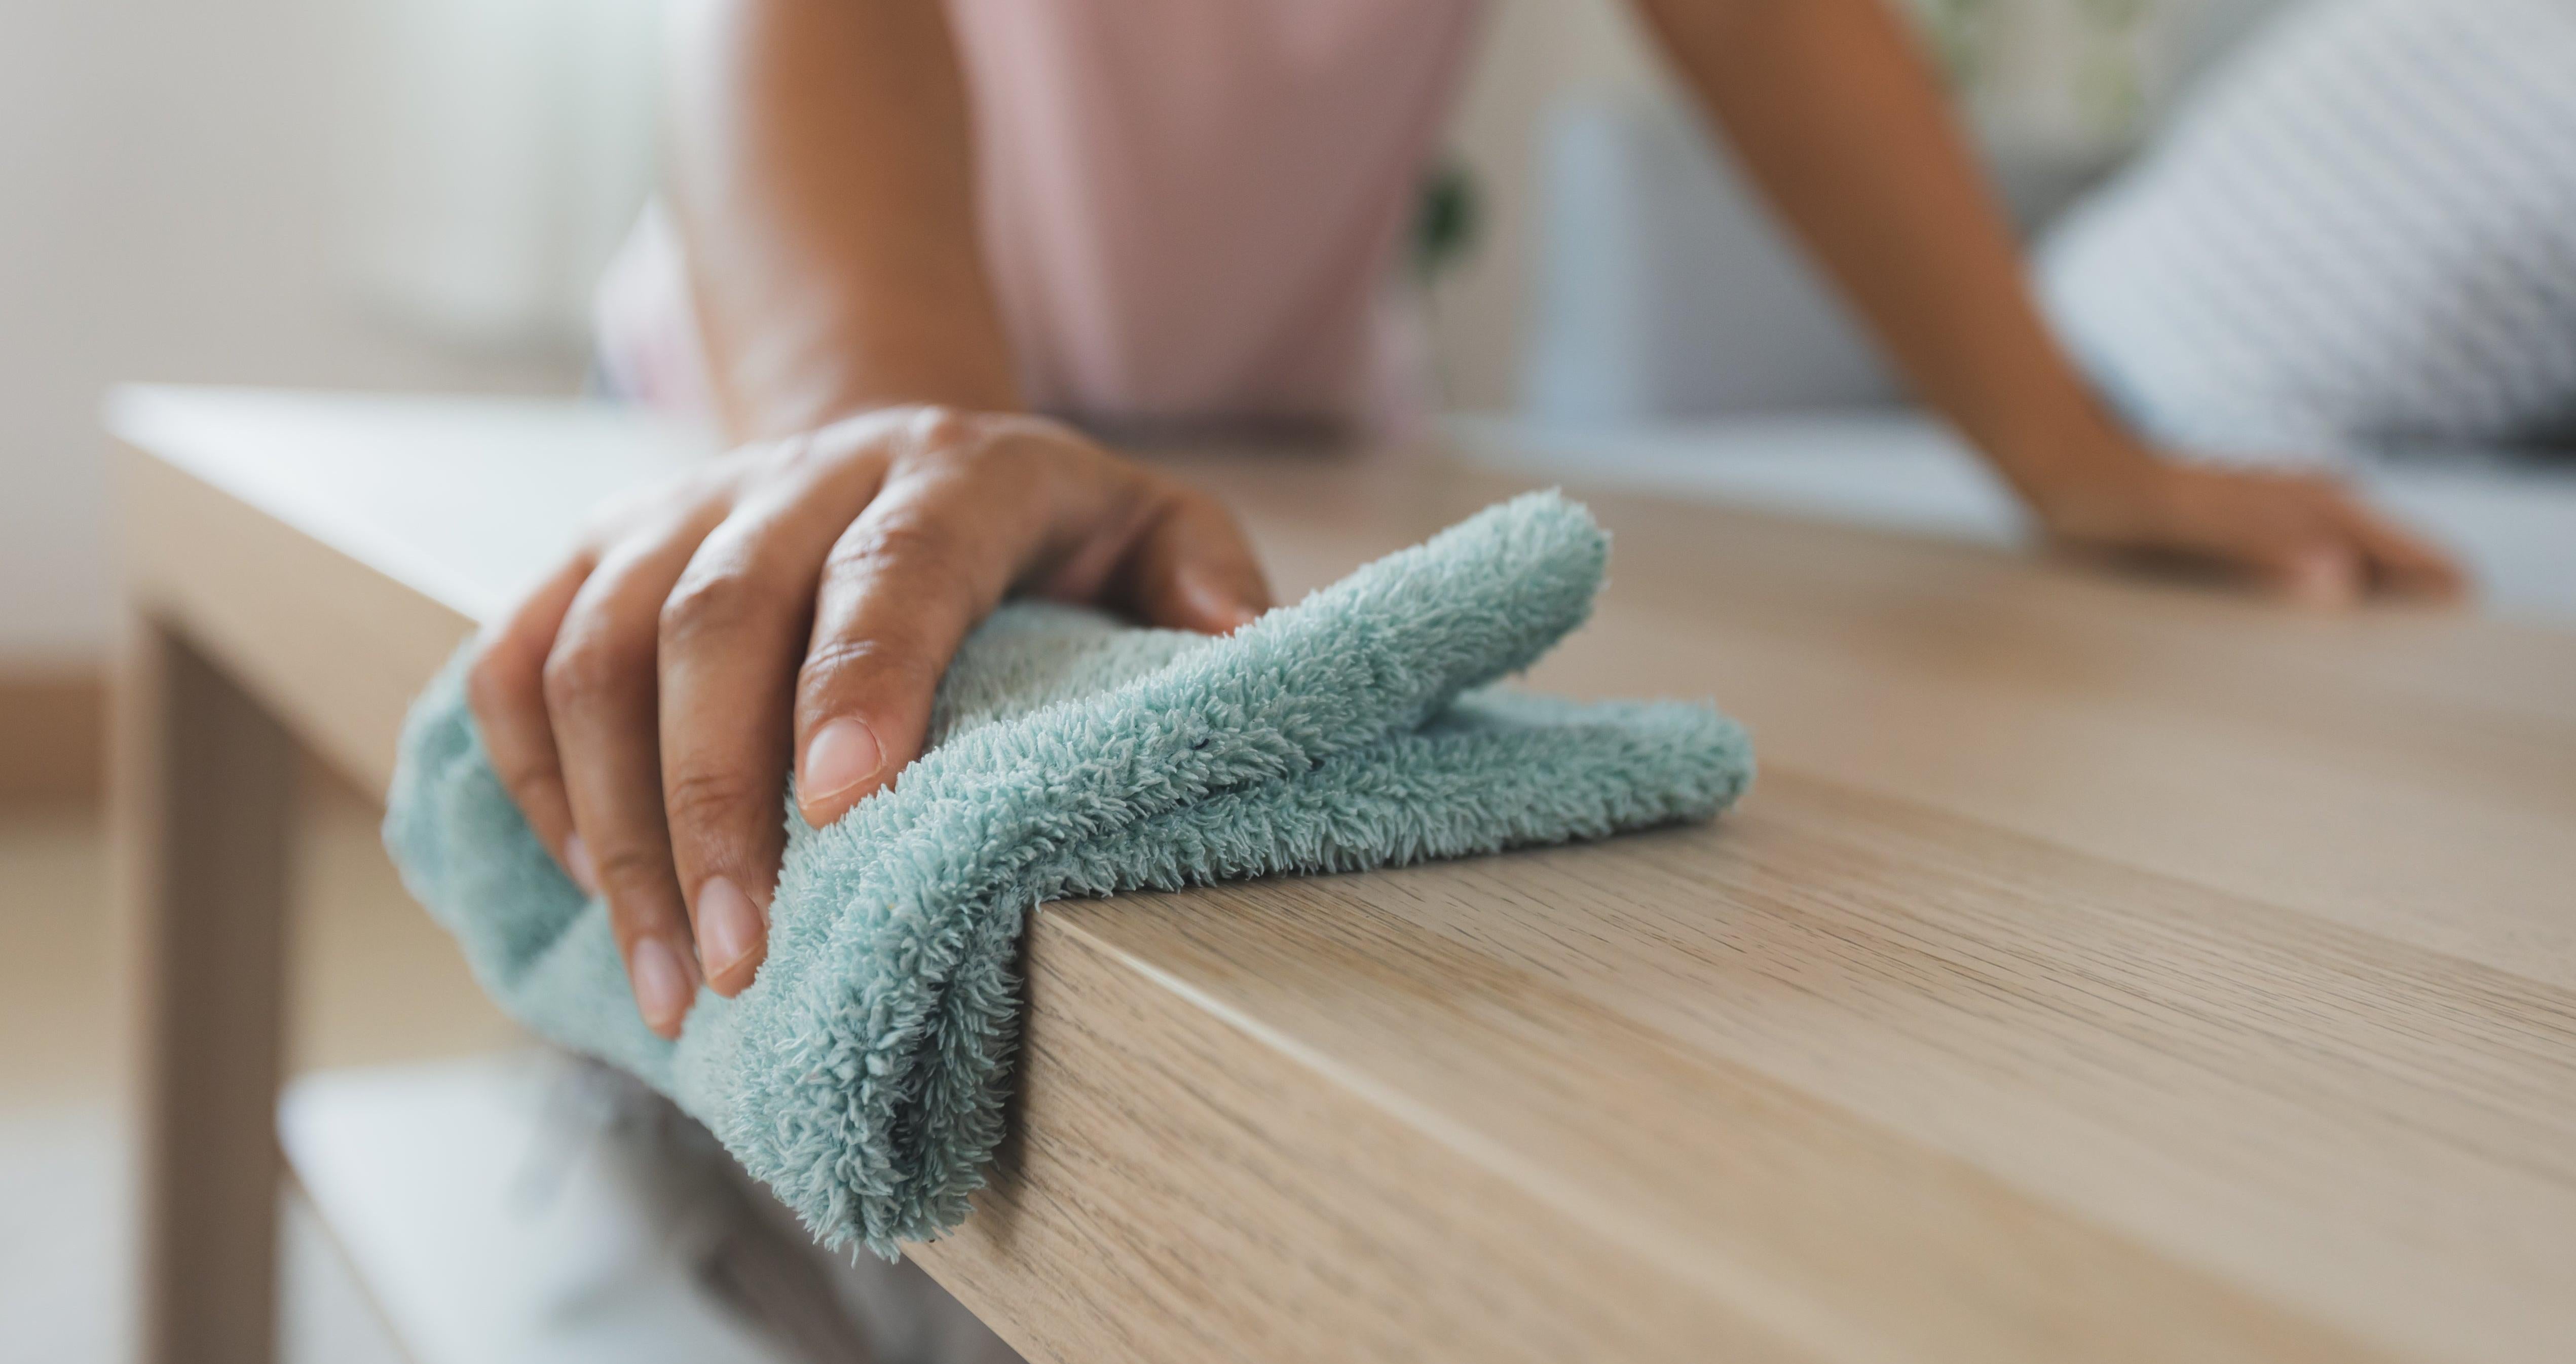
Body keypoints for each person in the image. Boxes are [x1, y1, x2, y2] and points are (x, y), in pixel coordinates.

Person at [476, 0, 2464, 1060]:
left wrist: (2058, 442)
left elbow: (1767, 22)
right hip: (784, 411)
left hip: (1270, 445)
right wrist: (895, 420)